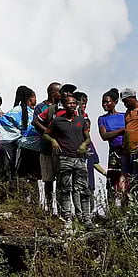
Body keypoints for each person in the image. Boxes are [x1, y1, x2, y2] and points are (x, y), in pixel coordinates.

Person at [46, 90, 91, 225]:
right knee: (65, 189)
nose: (71, 105)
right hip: (64, 158)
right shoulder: (57, 121)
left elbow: (88, 138)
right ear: (64, 105)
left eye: (73, 103)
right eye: (69, 103)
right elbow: (46, 134)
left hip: (79, 158)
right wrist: (53, 141)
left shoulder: (81, 120)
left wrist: (84, 144)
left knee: (83, 188)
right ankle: (67, 217)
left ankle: (85, 217)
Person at [98, 88, 128, 208]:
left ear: (115, 102)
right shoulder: (102, 119)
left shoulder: (124, 115)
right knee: (112, 180)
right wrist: (121, 130)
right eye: (103, 102)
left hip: (125, 150)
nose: (105, 104)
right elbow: (104, 135)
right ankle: (112, 209)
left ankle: (126, 208)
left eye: (107, 102)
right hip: (114, 152)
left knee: (126, 179)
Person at [35, 83, 63, 210]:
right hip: (46, 147)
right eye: (59, 92)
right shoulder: (41, 107)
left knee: (62, 180)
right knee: (48, 179)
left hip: (60, 149)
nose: (62, 94)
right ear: (53, 93)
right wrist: (48, 131)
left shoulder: (62, 106)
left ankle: (61, 208)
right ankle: (49, 207)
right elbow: (35, 122)